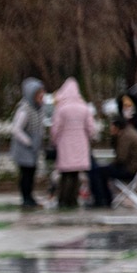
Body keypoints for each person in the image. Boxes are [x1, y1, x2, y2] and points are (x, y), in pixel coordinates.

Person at [49, 77, 94, 208]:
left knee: (65, 174)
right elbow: (91, 128)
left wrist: (54, 140)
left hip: (65, 146)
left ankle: (63, 199)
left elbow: (55, 128)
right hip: (81, 145)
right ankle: (73, 199)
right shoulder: (84, 107)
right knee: (75, 174)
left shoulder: (62, 108)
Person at [89, 117, 137, 207]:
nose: (110, 129)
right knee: (102, 170)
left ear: (117, 127)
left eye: (112, 126)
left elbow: (121, 158)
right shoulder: (130, 132)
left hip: (129, 170)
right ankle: (106, 199)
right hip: (134, 168)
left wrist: (114, 140)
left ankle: (102, 200)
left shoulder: (125, 137)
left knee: (97, 172)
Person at [9, 78, 45, 208]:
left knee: (32, 172)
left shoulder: (39, 108)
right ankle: (26, 198)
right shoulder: (25, 109)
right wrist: (28, 141)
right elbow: (16, 129)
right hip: (24, 147)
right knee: (26, 173)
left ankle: (30, 196)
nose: (42, 95)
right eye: (39, 93)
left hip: (34, 146)